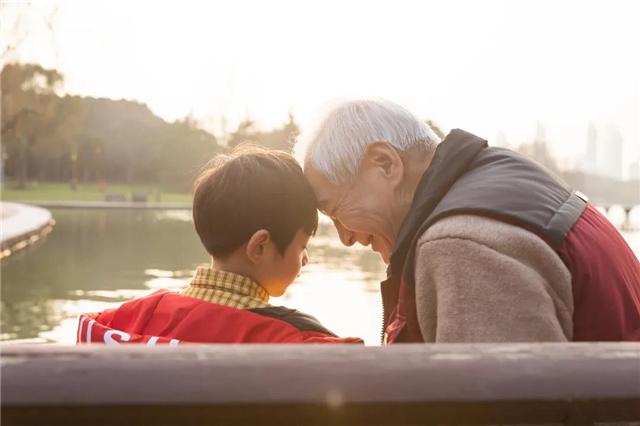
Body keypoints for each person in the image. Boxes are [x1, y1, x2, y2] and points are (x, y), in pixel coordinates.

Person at [295, 98, 640, 344]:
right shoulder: (504, 179)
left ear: (386, 164)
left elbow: (505, 413)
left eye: (334, 210)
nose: (345, 238)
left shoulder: (462, 245)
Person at [77, 146, 362, 345]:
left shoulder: (121, 323)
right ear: (260, 247)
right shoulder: (299, 342)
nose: (305, 260)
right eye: (303, 247)